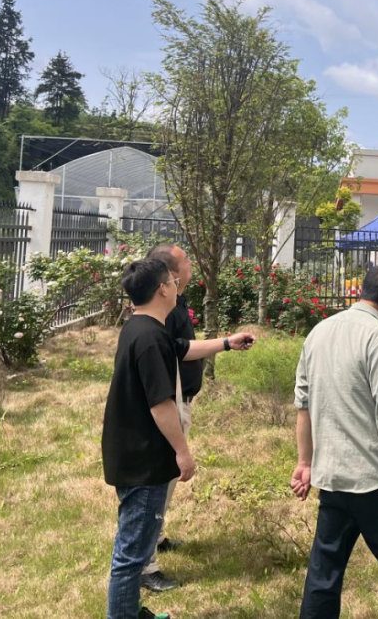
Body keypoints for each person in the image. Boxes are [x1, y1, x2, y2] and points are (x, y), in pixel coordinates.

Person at [102, 257, 254, 619]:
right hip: (144, 459)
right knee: (132, 555)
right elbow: (161, 404)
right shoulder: (149, 338)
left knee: (133, 541)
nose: (176, 285)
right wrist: (182, 453)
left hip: (131, 452)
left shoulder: (141, 328)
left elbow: (182, 349)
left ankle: (130, 611)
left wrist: (227, 343)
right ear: (162, 290)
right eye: (172, 281)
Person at [290, 265, 378, 618]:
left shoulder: (319, 332)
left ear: (362, 291)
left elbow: (303, 404)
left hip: (331, 477)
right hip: (376, 481)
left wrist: (305, 462)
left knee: (323, 574)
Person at [138, 243, 226, 593]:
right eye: (186, 260)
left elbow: (182, 348)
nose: (192, 263)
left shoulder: (175, 305)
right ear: (171, 275)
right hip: (171, 404)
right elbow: (176, 353)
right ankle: (146, 565)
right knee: (159, 482)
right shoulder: (164, 314)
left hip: (181, 401)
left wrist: (225, 343)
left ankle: (156, 537)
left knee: (167, 482)